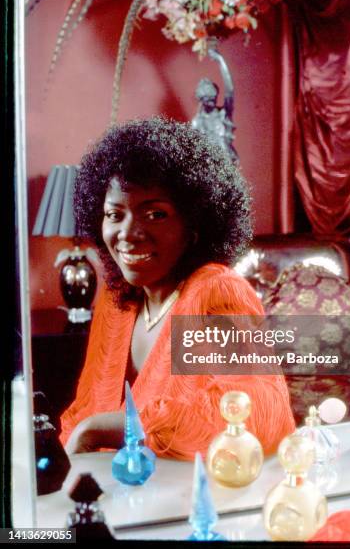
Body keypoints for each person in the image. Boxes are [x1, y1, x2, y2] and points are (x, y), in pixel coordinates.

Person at [60, 116, 295, 459]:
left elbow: (262, 416)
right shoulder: (118, 301)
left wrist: (107, 428)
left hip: (198, 497)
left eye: (155, 214)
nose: (128, 232)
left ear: (194, 227)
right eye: (115, 214)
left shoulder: (216, 291)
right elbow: (86, 409)